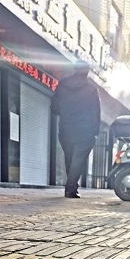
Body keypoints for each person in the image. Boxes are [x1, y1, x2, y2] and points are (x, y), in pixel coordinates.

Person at [51, 61, 100, 198]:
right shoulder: (91, 88)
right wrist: (95, 131)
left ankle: (72, 186)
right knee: (78, 160)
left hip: (66, 128)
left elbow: (54, 108)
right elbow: (95, 111)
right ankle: (70, 188)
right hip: (85, 130)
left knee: (70, 158)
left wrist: (65, 112)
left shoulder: (62, 84)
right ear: (87, 72)